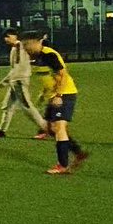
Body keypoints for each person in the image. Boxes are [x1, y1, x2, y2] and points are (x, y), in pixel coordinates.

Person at [21, 31, 89, 175]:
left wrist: (59, 95)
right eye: (24, 45)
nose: (26, 47)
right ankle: (78, 153)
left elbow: (63, 75)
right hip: (54, 95)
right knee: (51, 128)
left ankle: (62, 165)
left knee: (59, 127)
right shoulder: (35, 56)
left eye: (28, 44)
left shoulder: (49, 54)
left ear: (38, 42)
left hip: (65, 93)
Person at [0, 28, 49, 139]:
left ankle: (45, 129)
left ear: (15, 36)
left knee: (27, 107)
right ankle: (1, 131)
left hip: (20, 81)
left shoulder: (18, 47)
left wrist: (5, 81)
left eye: (8, 36)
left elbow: (18, 68)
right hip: (15, 81)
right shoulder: (15, 48)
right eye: (5, 37)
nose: (6, 39)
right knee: (7, 106)